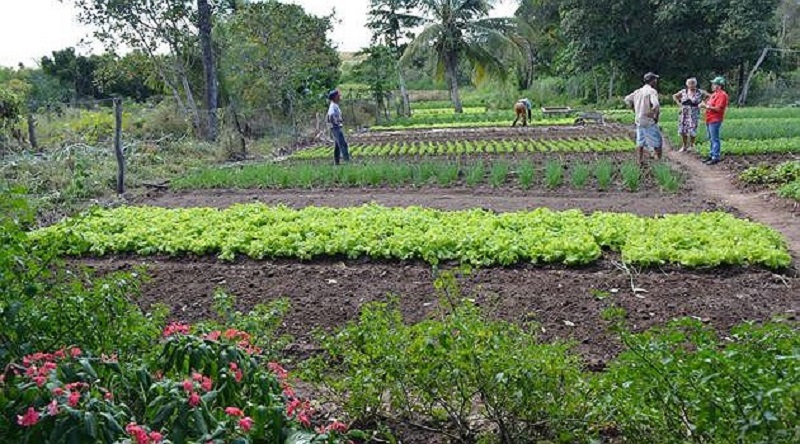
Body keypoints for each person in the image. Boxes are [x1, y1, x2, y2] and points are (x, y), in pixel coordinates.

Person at [624, 72, 662, 164]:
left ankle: (639, 160)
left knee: (640, 141)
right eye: (655, 79)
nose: (656, 81)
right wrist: (653, 114)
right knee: (657, 141)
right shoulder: (652, 91)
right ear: (652, 81)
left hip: (639, 119)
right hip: (648, 120)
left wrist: (633, 109)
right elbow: (656, 104)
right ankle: (659, 161)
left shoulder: (638, 91)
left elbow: (627, 99)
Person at [672, 78, 708, 152]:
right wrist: (679, 105)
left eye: (693, 83)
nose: (691, 85)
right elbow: (674, 96)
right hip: (684, 113)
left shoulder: (700, 92)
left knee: (693, 128)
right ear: (687, 84)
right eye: (690, 84)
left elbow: (709, 96)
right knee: (683, 129)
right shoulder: (683, 91)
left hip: (694, 112)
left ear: (695, 84)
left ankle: (692, 145)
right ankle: (684, 146)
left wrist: (703, 103)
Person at [700, 77, 729, 165]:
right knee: (711, 138)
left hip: (715, 119)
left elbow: (718, 109)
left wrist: (706, 106)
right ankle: (712, 154)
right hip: (709, 118)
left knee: (714, 138)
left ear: (719, 86)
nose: (712, 86)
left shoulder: (722, 95)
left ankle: (715, 156)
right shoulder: (714, 94)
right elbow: (709, 104)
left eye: (714, 84)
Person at [326, 89, 350, 165]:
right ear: (335, 97)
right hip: (336, 128)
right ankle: (347, 162)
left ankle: (337, 163)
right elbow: (330, 116)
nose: (340, 97)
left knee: (337, 146)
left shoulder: (334, 105)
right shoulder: (333, 106)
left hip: (335, 127)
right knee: (343, 144)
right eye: (338, 95)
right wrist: (337, 123)